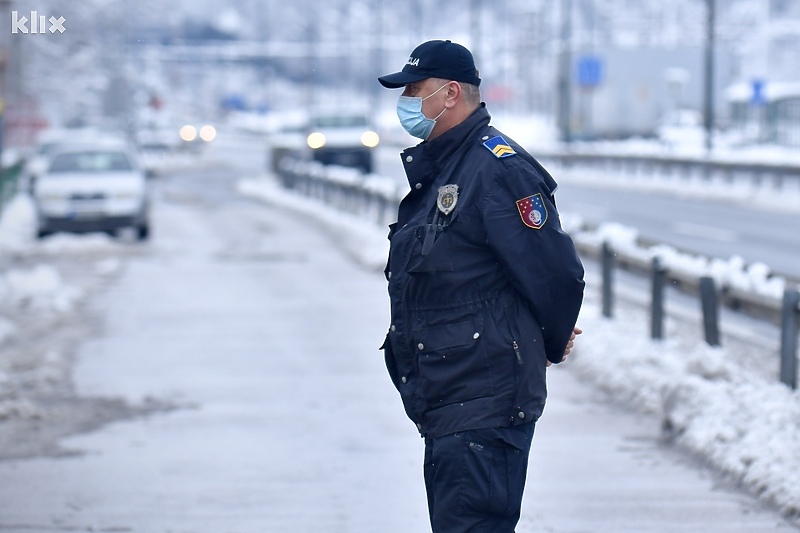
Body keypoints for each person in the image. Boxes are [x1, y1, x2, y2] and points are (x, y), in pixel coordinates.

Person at [377, 39, 585, 532]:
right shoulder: (449, 167)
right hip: (454, 396)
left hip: (483, 398)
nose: (405, 101)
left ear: (451, 94)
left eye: (414, 90)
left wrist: (548, 342)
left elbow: (554, 272)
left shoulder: (496, 169)